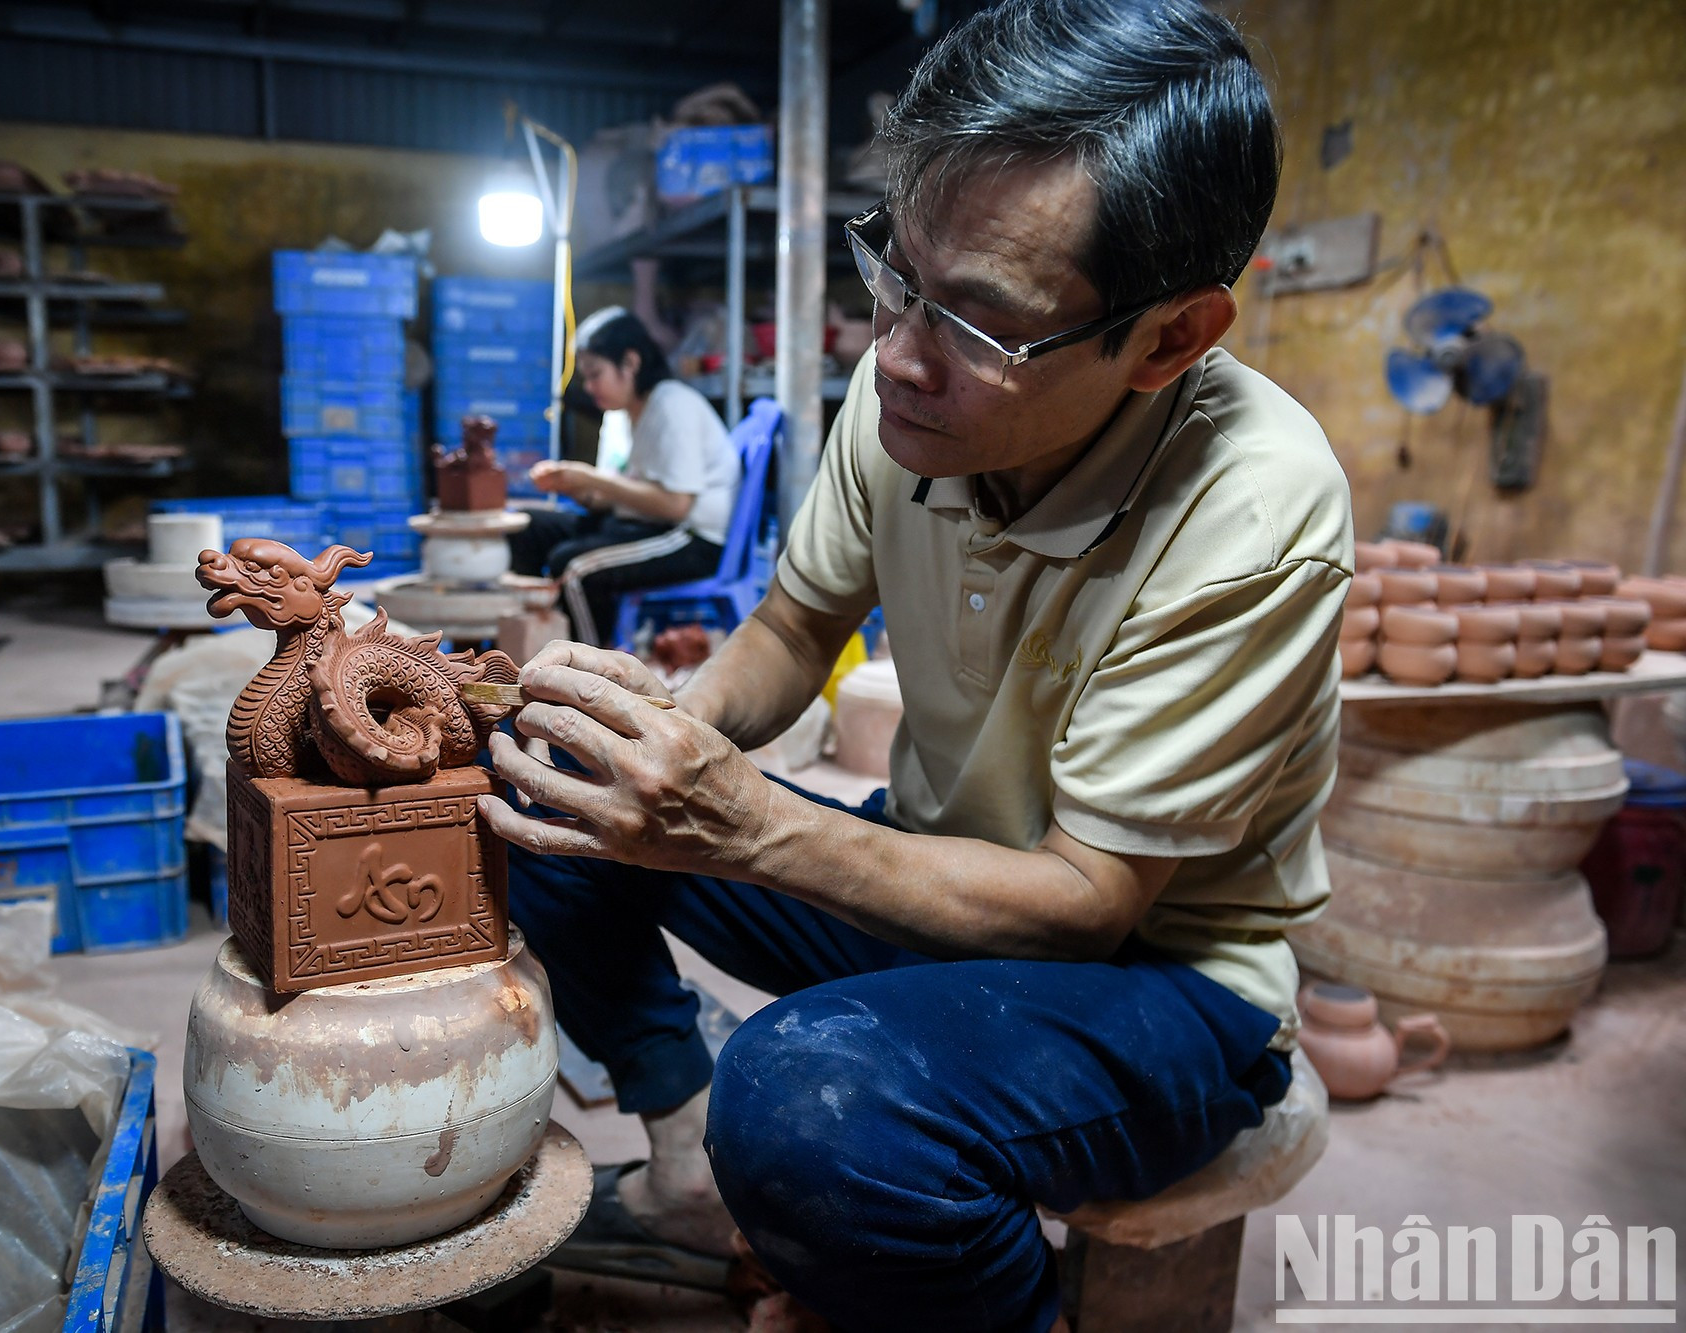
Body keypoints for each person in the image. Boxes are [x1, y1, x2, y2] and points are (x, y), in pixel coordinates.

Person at [479, 2, 1351, 1330]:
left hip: (1166, 980)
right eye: (896, 271)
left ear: (1170, 338)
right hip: (935, 868)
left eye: (980, 323)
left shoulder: (1255, 511)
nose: (891, 352)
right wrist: (671, 723)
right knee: (552, 782)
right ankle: (679, 1163)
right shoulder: (906, 401)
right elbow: (787, 632)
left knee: (808, 1104)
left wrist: (748, 820)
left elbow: (1085, 901)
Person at [507, 308, 740, 645]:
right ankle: (528, 644)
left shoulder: (672, 406)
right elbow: (611, 497)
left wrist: (592, 479)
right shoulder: (620, 415)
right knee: (527, 526)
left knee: (575, 570)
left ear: (630, 363)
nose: (588, 387)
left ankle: (585, 675)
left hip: (690, 537)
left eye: (595, 374)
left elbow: (675, 505)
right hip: (640, 521)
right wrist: (574, 487)